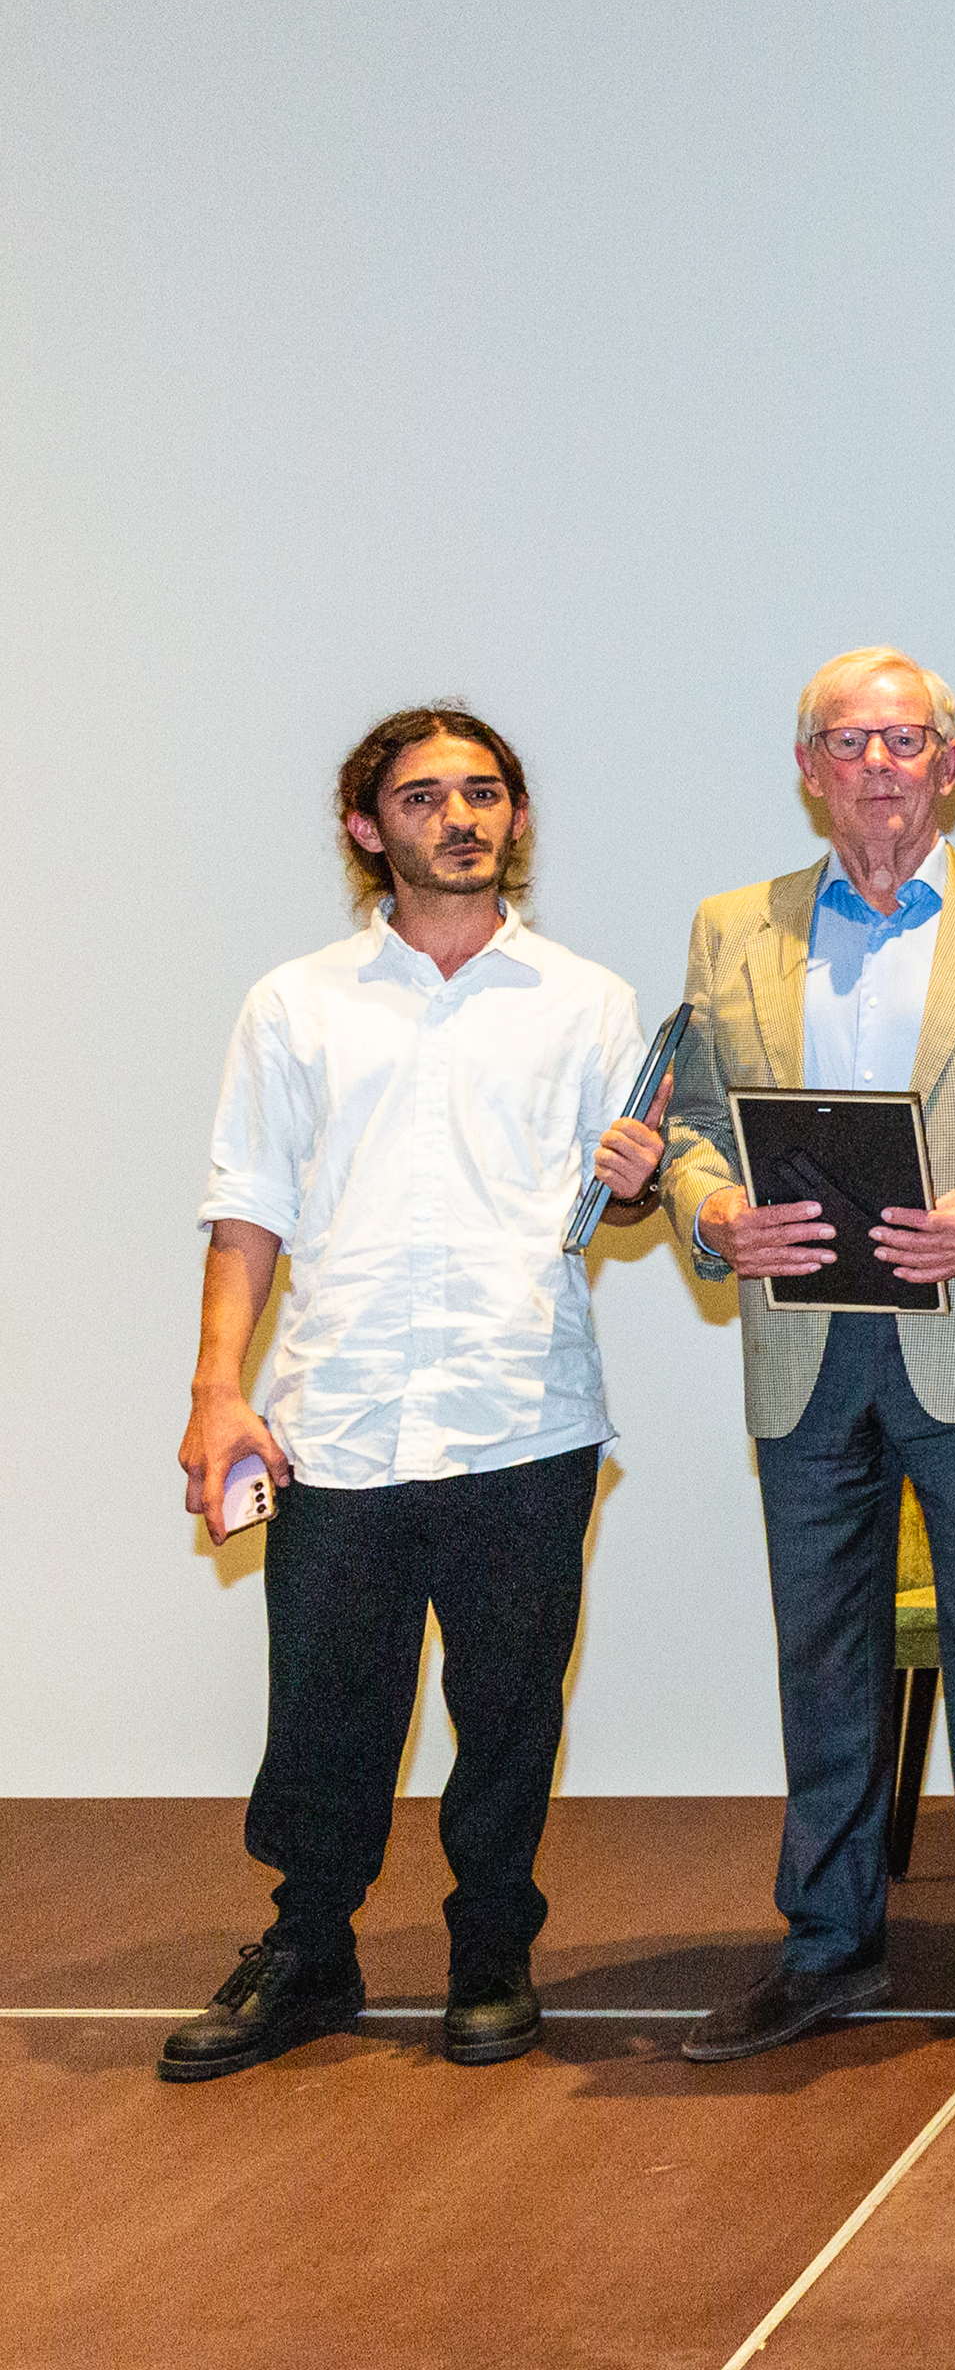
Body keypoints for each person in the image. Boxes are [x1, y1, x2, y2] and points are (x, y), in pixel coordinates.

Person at [161, 707, 667, 2082]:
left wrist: (641, 1182)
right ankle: (309, 1947)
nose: (461, 816)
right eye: (425, 794)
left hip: (524, 1412)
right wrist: (219, 1392)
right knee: (328, 1704)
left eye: (485, 793)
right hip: (336, 1416)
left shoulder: (587, 1001)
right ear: (365, 825)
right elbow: (246, 1213)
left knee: (510, 1707)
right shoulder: (296, 1003)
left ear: (516, 819)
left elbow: (608, 1206)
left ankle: (491, 1949)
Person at [661, 648, 955, 2076]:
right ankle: (827, 1944)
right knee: (826, 1660)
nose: (877, 765)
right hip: (801, 1350)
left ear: (949, 761)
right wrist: (714, 1214)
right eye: (847, 742)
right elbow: (687, 1127)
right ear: (807, 769)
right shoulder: (730, 926)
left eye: (904, 740)